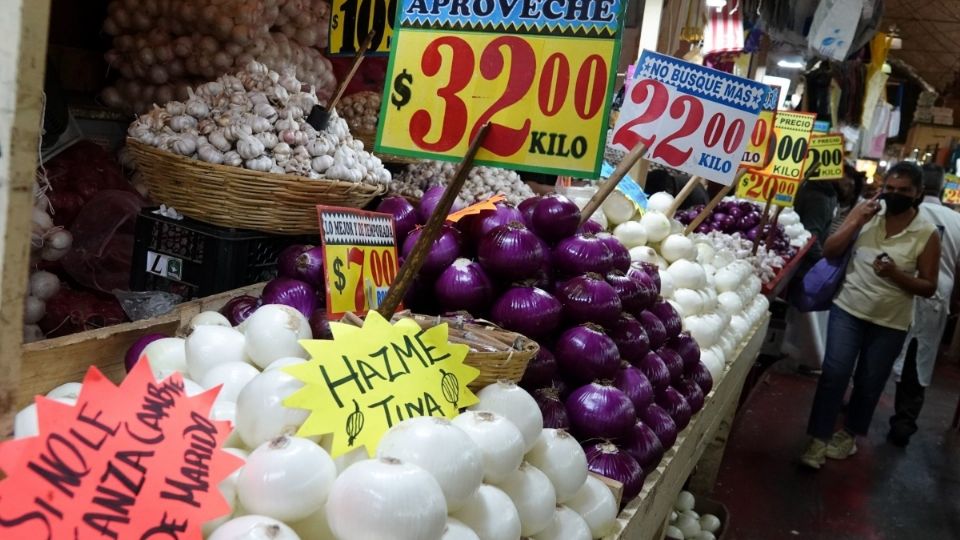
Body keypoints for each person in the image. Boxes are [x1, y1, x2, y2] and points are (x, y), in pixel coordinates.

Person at [800, 162, 941, 469]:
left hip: (890, 322)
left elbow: (929, 286)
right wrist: (855, 221)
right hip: (848, 309)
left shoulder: (926, 233)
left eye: (903, 190)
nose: (895, 195)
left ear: (917, 193)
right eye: (890, 188)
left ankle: (849, 434)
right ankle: (818, 438)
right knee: (834, 374)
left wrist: (895, 274)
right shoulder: (866, 214)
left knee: (868, 382)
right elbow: (830, 250)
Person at [888, 164, 960, 446]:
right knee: (919, 358)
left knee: (880, 347)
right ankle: (904, 422)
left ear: (918, 188)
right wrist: (954, 300)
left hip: (896, 286)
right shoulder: (956, 221)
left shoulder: (906, 213)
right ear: (942, 188)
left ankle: (857, 404)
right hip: (935, 296)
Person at [829, 164, 866, 236]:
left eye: (848, 185)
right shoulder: (826, 202)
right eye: (839, 181)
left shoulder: (860, 209)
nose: (841, 186)